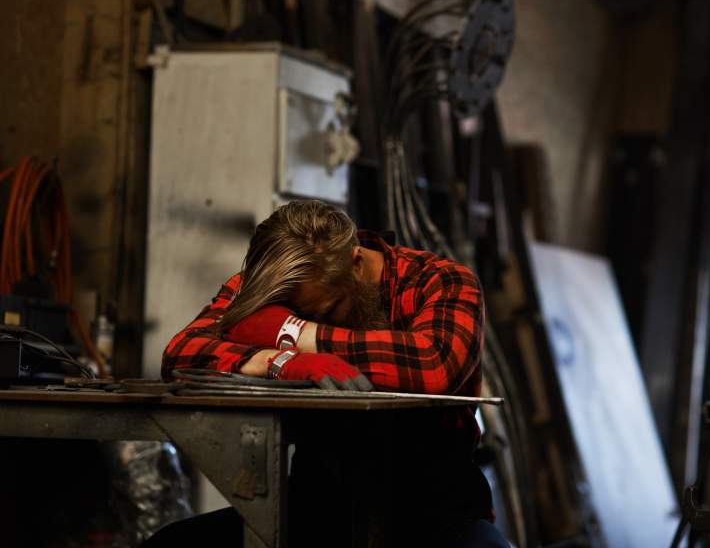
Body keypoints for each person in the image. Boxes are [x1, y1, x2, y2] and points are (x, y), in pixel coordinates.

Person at [153, 199, 508, 548]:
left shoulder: (443, 281)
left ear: (356, 262)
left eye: (326, 310)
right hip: (321, 505)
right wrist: (279, 361)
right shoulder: (277, 282)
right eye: (294, 316)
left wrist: (291, 333)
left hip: (432, 508)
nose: (313, 323)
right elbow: (181, 354)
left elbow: (433, 365)